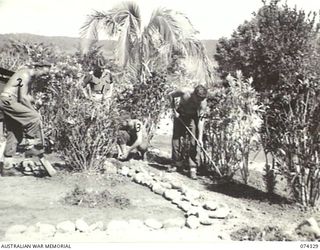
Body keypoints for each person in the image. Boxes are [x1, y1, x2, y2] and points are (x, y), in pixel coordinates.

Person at [0, 62, 51, 174]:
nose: (44, 76)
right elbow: (22, 97)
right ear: (38, 68)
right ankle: (31, 145)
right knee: (34, 117)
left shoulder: (30, 78)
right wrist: (33, 110)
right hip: (8, 101)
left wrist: (35, 101)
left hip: (10, 101)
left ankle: (7, 168)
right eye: (44, 73)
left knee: (14, 132)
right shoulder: (25, 74)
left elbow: (26, 96)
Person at [168, 85, 208, 179]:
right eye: (197, 99)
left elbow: (201, 121)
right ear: (193, 94)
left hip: (192, 118)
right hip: (180, 114)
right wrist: (174, 110)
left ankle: (193, 168)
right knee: (176, 139)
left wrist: (200, 138)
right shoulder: (184, 91)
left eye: (201, 100)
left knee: (194, 142)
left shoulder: (203, 102)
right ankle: (176, 164)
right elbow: (170, 95)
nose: (199, 101)